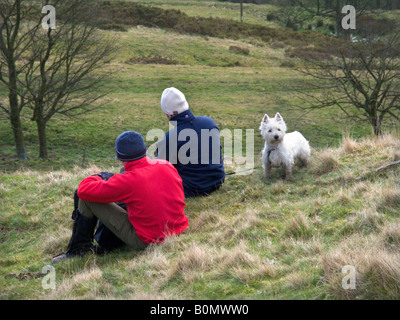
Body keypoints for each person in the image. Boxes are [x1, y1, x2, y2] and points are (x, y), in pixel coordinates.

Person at [52, 131, 188, 263]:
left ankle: (78, 250)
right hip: (177, 230)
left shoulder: (128, 180)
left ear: (119, 156)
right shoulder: (166, 165)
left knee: (86, 200)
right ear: (143, 149)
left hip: (148, 241)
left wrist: (101, 176)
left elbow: (83, 191)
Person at [156, 87, 225, 198]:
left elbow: (159, 169)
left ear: (169, 115)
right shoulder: (209, 122)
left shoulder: (170, 137)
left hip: (191, 189)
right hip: (218, 181)